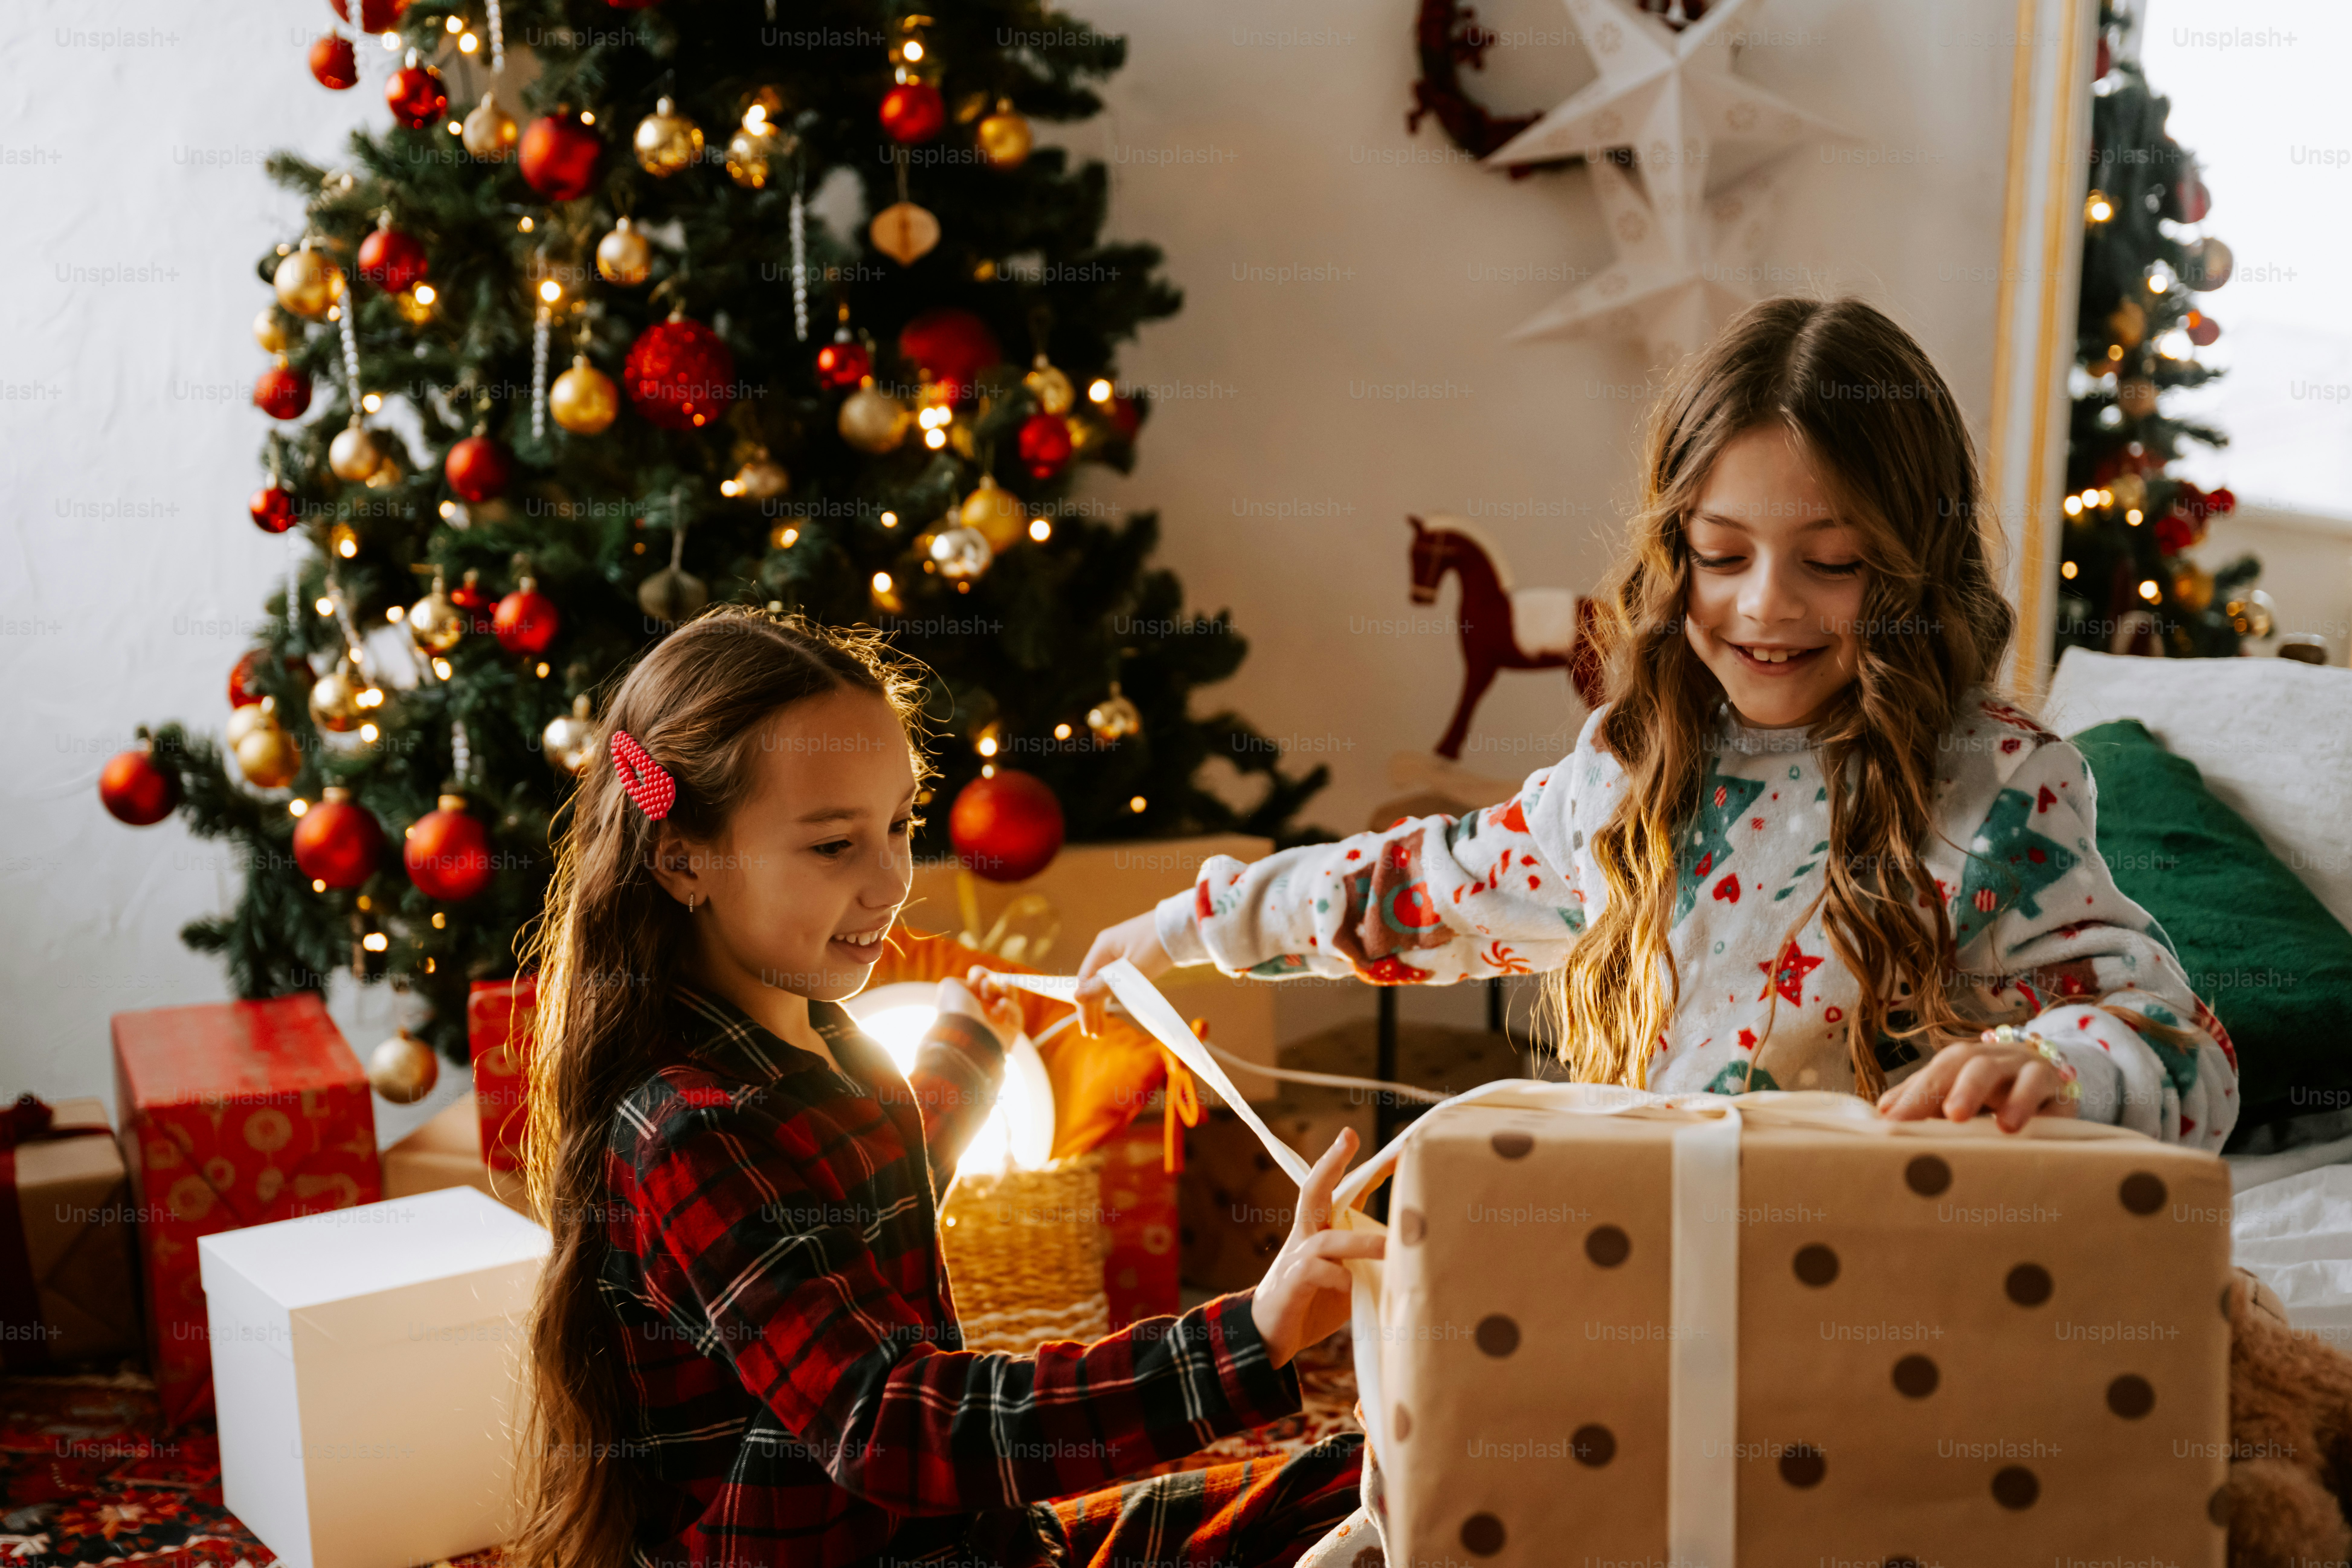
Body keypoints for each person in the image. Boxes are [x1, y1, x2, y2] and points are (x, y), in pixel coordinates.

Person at [1077, 295, 2238, 1149]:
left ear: (1909, 567)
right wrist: (1190, 926)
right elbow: (1422, 888)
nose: (1763, 604)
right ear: (1673, 547)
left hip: (1883, 1319)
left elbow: (2186, 1052)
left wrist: (2045, 1064)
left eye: (1829, 562)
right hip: (1656, 1289)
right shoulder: (1631, 776)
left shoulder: (1993, 789)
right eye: (1721, 555)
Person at [507, 606, 1377, 1568]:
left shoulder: (809, 1035)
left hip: (973, 1542)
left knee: (1362, 1480)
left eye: (899, 826)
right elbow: (896, 1427)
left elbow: (864, 1174)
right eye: (834, 846)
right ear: (684, 861)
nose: (891, 884)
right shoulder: (687, 1131)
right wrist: (1253, 1334)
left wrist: (968, 1051)